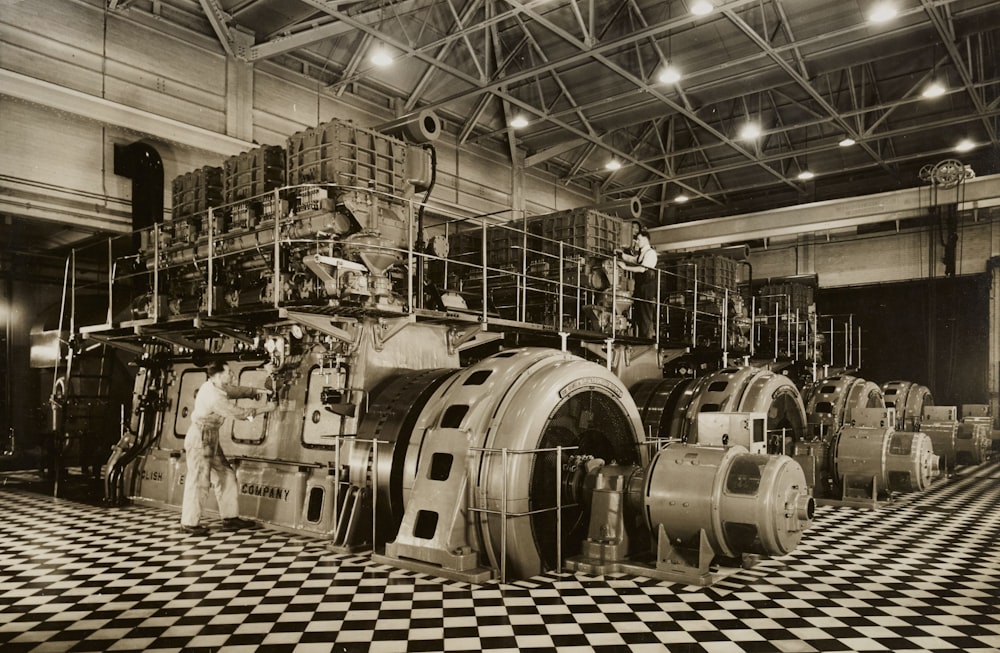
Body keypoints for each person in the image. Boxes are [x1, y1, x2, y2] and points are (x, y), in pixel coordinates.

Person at [179, 360, 276, 536]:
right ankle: (189, 524)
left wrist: (256, 391)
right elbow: (240, 414)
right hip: (201, 437)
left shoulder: (213, 386)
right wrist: (267, 408)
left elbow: (232, 390)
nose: (232, 375)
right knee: (200, 480)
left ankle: (230, 518)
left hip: (210, 436)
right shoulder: (214, 397)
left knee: (226, 474)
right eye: (229, 372)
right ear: (217, 375)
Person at [616, 227, 659, 340]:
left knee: (645, 313)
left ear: (645, 239)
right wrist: (621, 256)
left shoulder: (651, 253)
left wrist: (625, 267)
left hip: (647, 286)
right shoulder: (642, 253)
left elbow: (641, 269)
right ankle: (641, 336)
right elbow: (634, 260)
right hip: (641, 286)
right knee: (639, 312)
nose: (637, 242)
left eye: (639, 239)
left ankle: (647, 339)